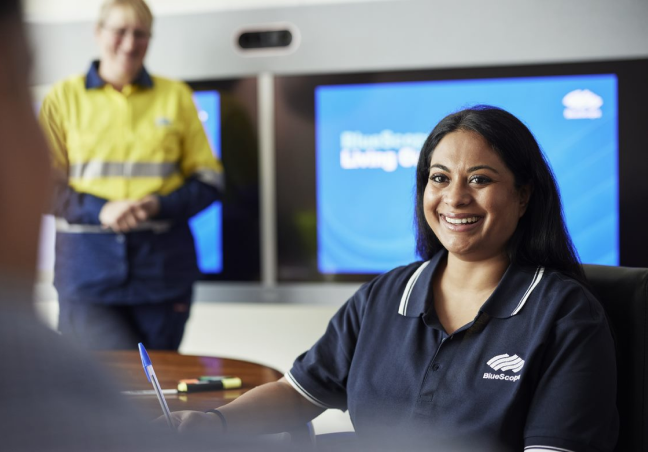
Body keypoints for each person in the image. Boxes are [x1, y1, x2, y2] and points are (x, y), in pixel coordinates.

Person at [169, 106, 619, 451]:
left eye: (479, 179)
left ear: (523, 196)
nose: (455, 198)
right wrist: (210, 424)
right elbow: (299, 391)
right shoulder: (386, 295)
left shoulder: (564, 314)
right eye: (438, 178)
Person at [38, 0, 223, 350]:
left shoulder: (177, 96)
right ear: (97, 33)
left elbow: (209, 182)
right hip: (87, 275)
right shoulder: (62, 98)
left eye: (140, 34)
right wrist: (101, 210)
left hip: (163, 274)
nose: (129, 43)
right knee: (94, 392)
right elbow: (40, 188)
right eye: (119, 31)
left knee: (158, 393)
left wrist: (157, 204)